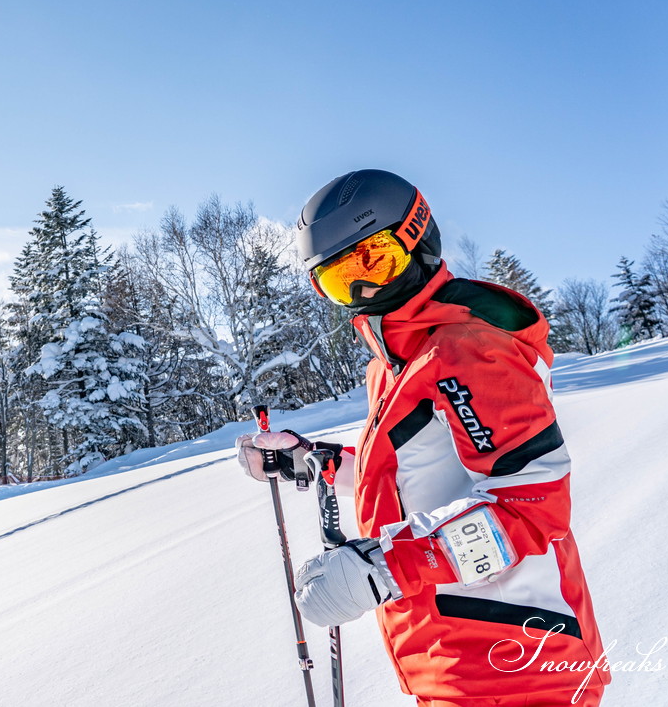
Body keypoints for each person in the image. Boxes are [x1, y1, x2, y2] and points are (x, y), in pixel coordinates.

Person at [237, 170, 609, 707]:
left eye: (375, 262)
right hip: (449, 660)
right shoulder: (394, 365)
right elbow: (410, 474)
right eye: (340, 281)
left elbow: (530, 508)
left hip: (518, 665)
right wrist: (312, 462)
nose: (364, 290)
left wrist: (384, 567)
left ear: (419, 237)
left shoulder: (472, 349)